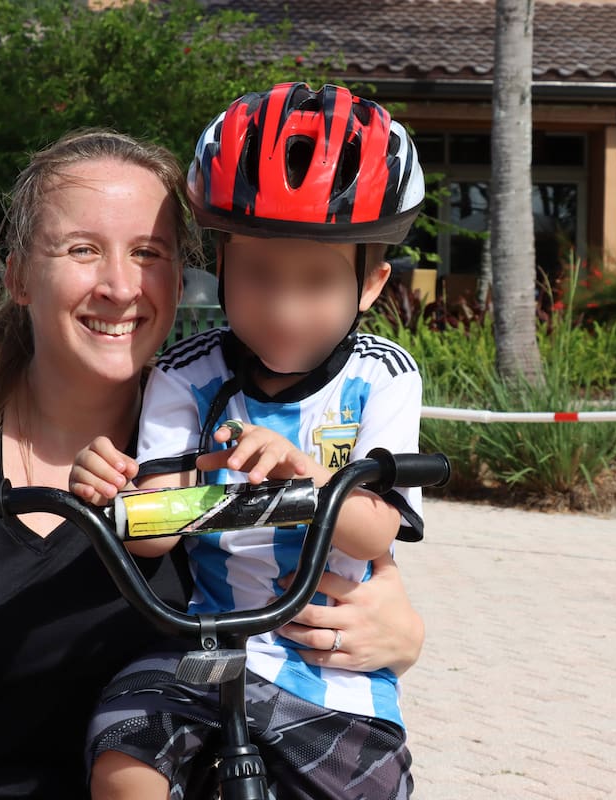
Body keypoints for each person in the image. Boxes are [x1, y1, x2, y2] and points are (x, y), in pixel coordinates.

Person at [0, 128, 427, 800]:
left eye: (147, 253)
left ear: (183, 279)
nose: (120, 286)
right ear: (18, 274)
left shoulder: (220, 430)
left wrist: (398, 631)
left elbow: (357, 557)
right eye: (82, 250)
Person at [70, 83, 427, 799]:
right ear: (221, 264)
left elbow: (373, 530)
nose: (284, 307)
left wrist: (308, 479)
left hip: (332, 671)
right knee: (124, 751)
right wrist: (121, 497)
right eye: (258, 274)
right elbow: (150, 535)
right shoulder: (184, 373)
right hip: (207, 652)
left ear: (371, 282)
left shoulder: (381, 375)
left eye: (318, 280)